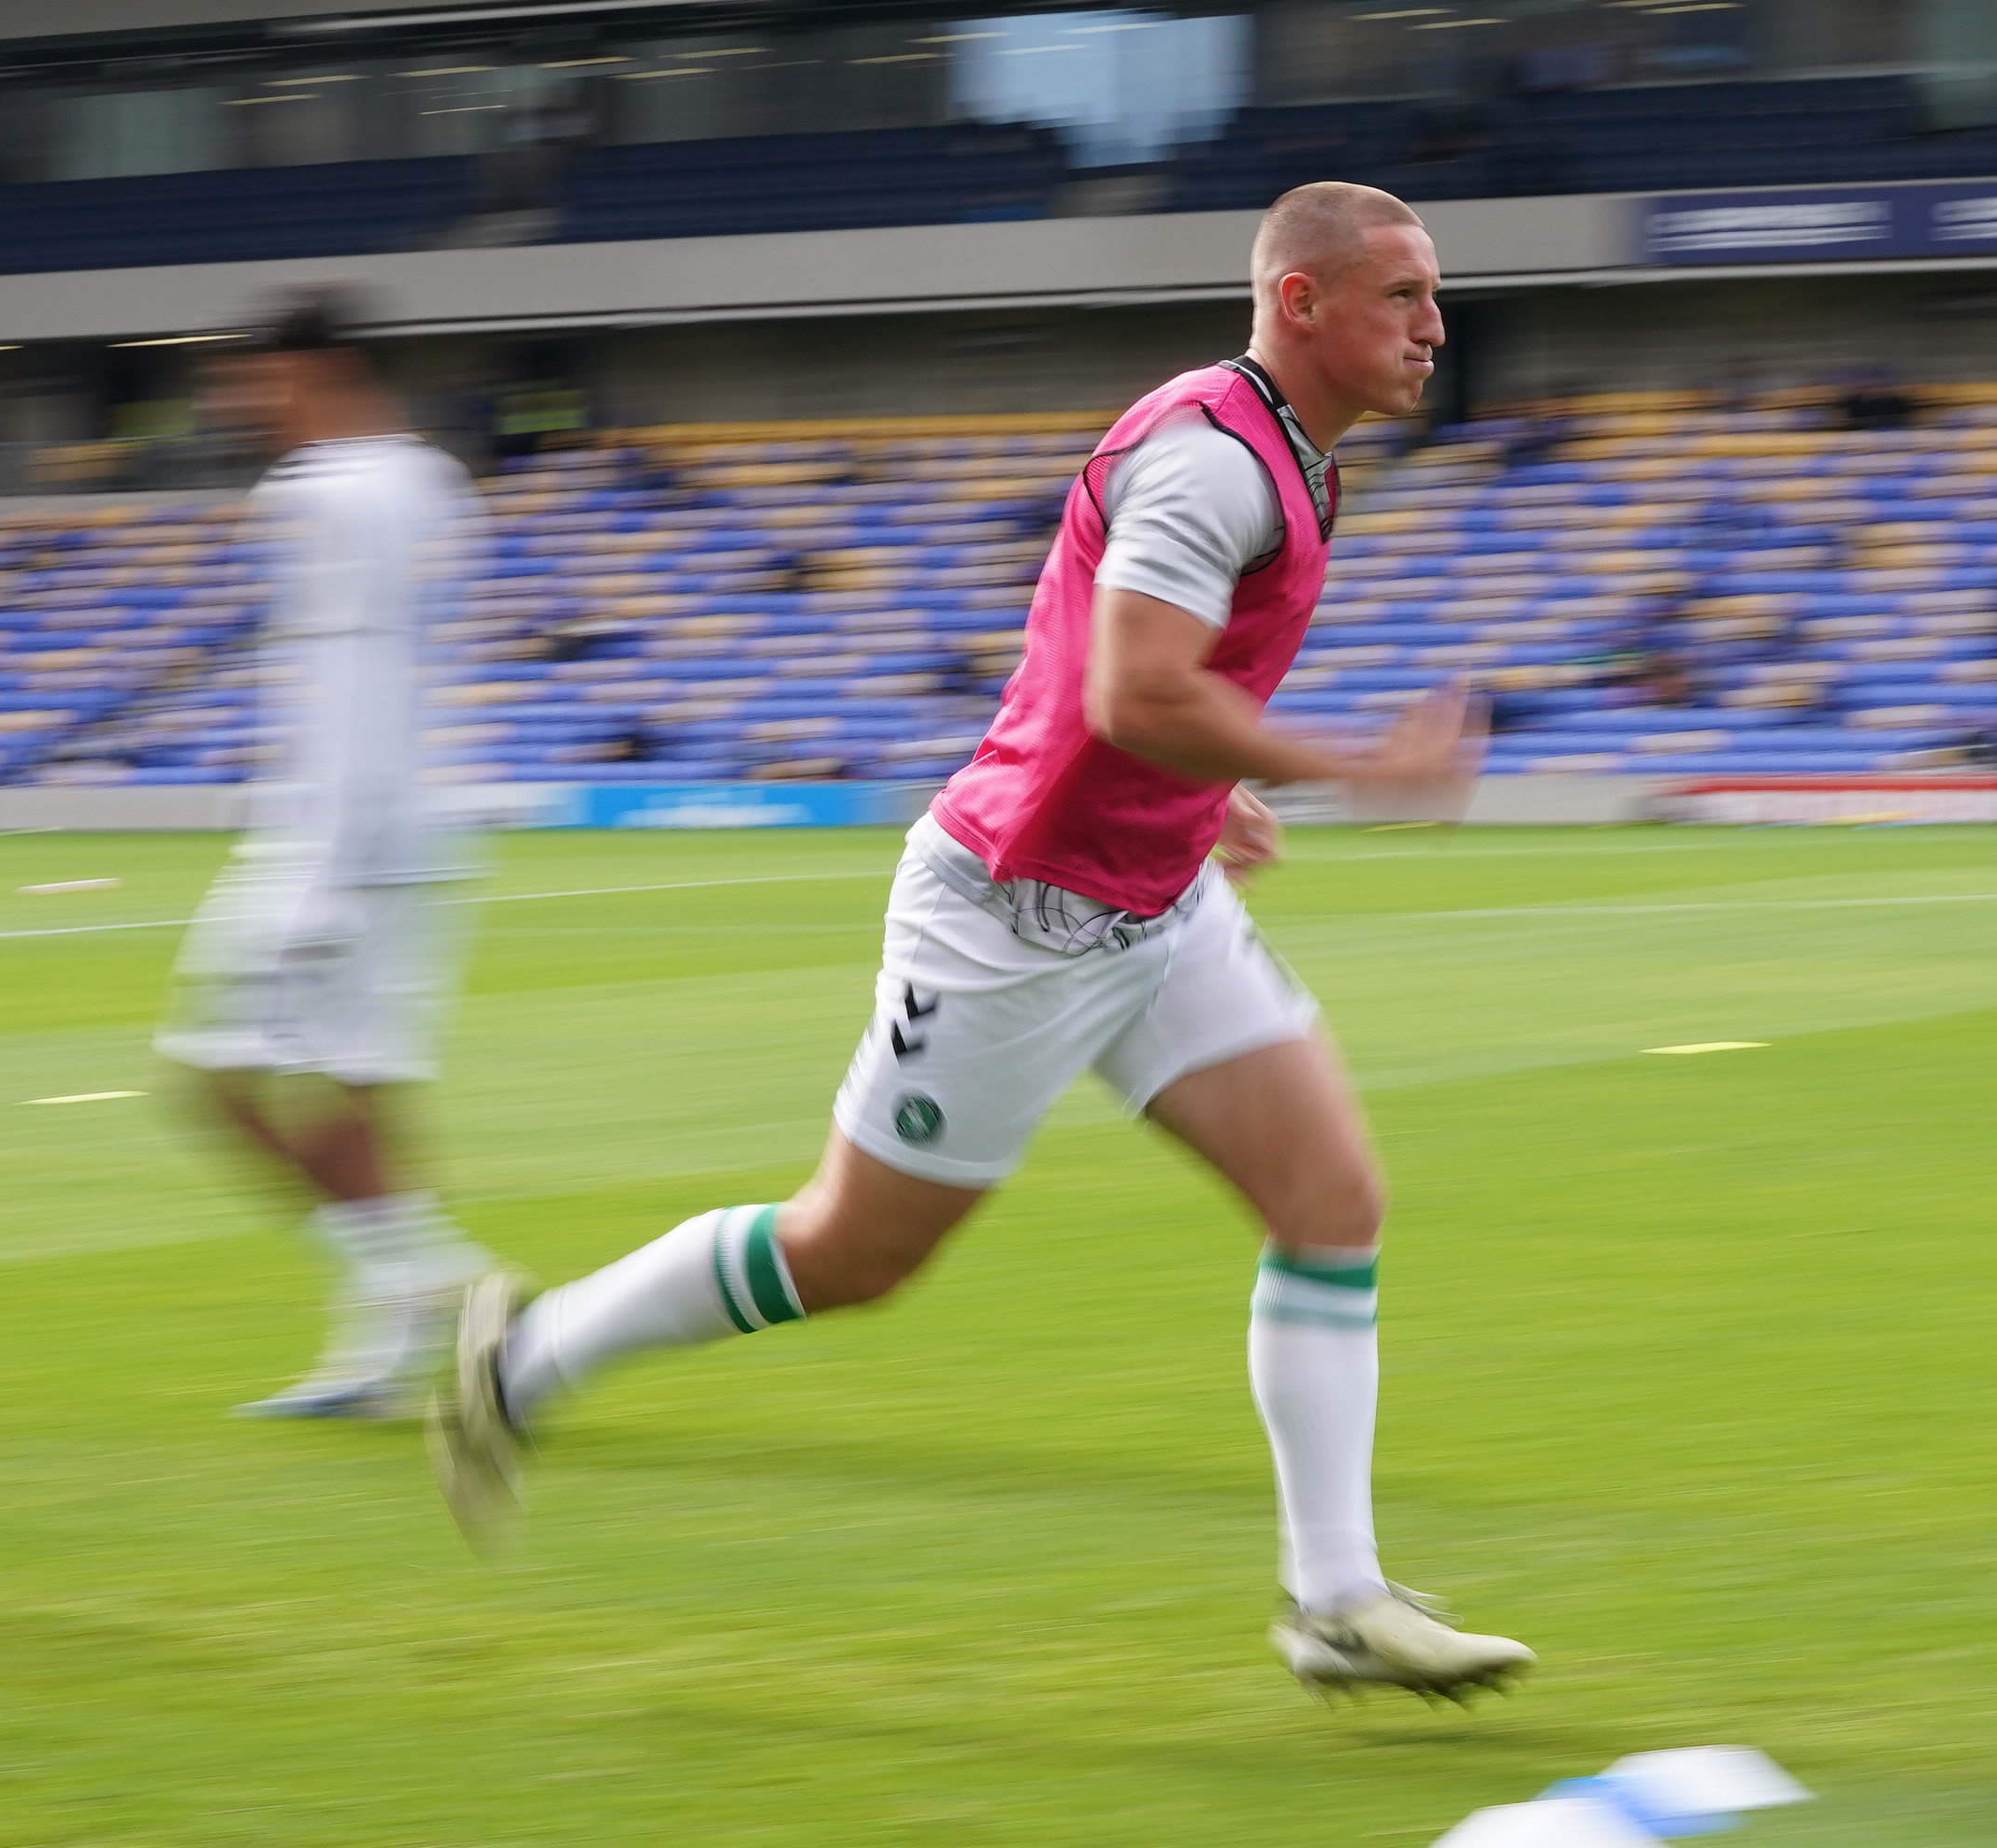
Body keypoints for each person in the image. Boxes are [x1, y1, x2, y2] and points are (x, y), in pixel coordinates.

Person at [429, 182, 1537, 1705]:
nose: (1434, 327)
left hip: (1152, 901)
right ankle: (524, 1359)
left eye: (1432, 296)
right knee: (851, 1251)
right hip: (1012, 921)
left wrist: (1198, 797)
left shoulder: (1283, 454)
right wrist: (1354, 770)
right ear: (1302, 301)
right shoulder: (1216, 461)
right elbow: (1133, 690)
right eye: (1404, 295)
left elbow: (1100, 668)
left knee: (1332, 1198)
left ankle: (1337, 1599)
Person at [156, 287, 490, 1418]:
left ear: (306, 373)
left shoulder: (321, 492)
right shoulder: (432, 477)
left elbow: (353, 678)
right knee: (358, 1097)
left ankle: (435, 1278)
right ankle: (388, 1342)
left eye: (252, 379)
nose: (239, 402)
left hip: (338, 840)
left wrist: (323, 874)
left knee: (211, 1077)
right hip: (418, 830)